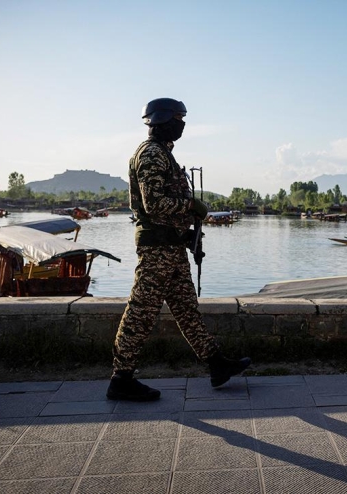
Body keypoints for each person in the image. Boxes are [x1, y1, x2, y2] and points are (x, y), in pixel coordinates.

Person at [107, 98, 251, 402]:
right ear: (164, 120)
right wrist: (191, 206)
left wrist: (187, 237)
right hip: (156, 250)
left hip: (170, 247)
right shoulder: (151, 155)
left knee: (186, 309)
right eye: (179, 118)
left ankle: (216, 365)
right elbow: (154, 205)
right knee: (140, 313)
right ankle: (121, 378)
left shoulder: (163, 154)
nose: (182, 124)